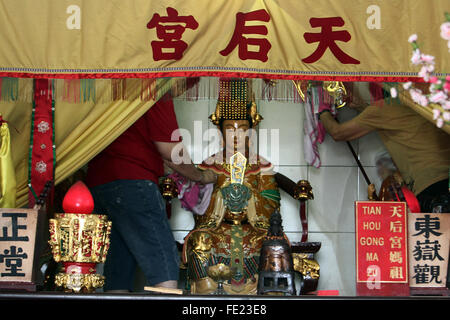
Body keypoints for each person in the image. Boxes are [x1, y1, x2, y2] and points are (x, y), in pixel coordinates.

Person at [85, 92, 216, 292]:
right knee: (163, 263)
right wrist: (199, 176)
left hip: (99, 183)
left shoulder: (116, 83)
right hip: (132, 181)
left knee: (120, 266)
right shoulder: (154, 88)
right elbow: (171, 150)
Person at [181, 78, 282, 295]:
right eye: (229, 129)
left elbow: (273, 206)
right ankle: (205, 286)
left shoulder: (262, 166)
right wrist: (220, 198)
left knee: (271, 243)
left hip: (253, 228)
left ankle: (265, 287)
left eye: (242, 129)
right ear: (220, 132)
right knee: (200, 240)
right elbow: (197, 205)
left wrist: (251, 200)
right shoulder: (209, 165)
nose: (236, 135)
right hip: (217, 227)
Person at [318, 85, 450, 213]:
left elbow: (338, 133)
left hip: (431, 190)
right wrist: (361, 106)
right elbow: (393, 120)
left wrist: (322, 110)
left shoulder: (386, 108)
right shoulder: (431, 104)